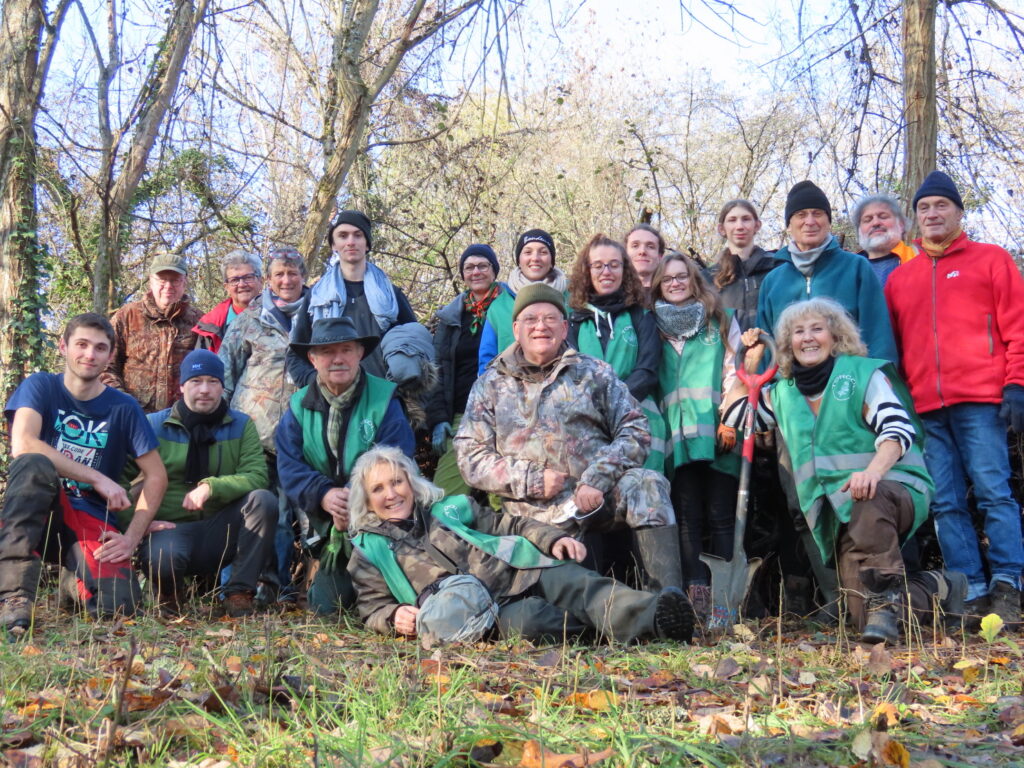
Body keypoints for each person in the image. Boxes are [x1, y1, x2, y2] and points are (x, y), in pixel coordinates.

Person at [724, 298, 965, 643]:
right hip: (843, 513)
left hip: (893, 489)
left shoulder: (862, 374)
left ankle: (884, 602)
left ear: (835, 337)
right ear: (787, 343)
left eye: (817, 329)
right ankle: (937, 587)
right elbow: (738, 418)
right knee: (861, 614)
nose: (807, 338)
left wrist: (874, 472)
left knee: (869, 498)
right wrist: (746, 366)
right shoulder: (784, 393)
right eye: (798, 332)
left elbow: (897, 430)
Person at [454, 283, 684, 592]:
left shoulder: (594, 373)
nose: (541, 326)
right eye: (531, 319)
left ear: (564, 328)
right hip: (531, 515)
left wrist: (597, 478)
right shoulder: (490, 385)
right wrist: (532, 480)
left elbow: (636, 429)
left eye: (550, 319)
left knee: (647, 484)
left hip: (595, 500)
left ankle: (667, 600)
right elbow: (470, 456)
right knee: (565, 613)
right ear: (516, 329)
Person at [347, 446, 695, 644]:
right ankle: (611, 631)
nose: (391, 494)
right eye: (378, 489)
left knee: (579, 583)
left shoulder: (448, 509)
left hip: (516, 570)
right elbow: (371, 606)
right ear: (367, 499)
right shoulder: (368, 549)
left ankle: (656, 617)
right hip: (482, 615)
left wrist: (551, 537)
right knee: (533, 623)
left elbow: (507, 523)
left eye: (397, 482)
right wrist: (393, 616)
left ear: (411, 482)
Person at [885, 170, 1024, 625]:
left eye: (941, 205)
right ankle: (969, 589)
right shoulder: (900, 279)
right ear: (915, 220)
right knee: (944, 502)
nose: (932, 214)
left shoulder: (991, 260)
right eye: (924, 208)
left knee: (993, 493)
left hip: (982, 400)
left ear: (959, 213)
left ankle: (1009, 585)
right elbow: (895, 349)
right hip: (926, 407)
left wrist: (1016, 384)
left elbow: (1017, 327)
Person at [0, 314, 167, 631]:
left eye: (100, 348)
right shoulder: (42, 386)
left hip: (87, 513)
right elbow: (23, 443)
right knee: (34, 463)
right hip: (35, 510)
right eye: (82, 344)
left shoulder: (123, 407)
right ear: (63, 347)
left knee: (119, 610)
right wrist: (97, 477)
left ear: (108, 356)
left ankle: (72, 582)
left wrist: (131, 538)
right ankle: (14, 597)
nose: (90, 354)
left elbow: (156, 476)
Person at [276, 316, 415, 615]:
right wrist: (325, 496)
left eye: (346, 349)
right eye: (327, 352)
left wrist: (354, 498)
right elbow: (290, 467)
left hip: (383, 520)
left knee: (401, 596)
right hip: (330, 526)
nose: (338, 359)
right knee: (329, 609)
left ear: (360, 354)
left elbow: (398, 457)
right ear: (313, 359)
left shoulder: (384, 398)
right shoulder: (298, 406)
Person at [128, 350, 276, 618]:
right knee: (164, 557)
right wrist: (136, 525)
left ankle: (238, 594)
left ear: (222, 385)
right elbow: (119, 481)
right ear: (182, 386)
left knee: (263, 500)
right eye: (196, 381)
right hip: (169, 529)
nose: (205, 390)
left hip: (220, 529)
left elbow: (256, 475)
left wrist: (212, 487)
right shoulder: (153, 426)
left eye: (213, 381)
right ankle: (169, 594)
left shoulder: (241, 425)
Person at [650, 252, 742, 619]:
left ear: (693, 280)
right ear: (658, 284)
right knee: (686, 518)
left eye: (681, 277)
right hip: (676, 437)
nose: (675, 283)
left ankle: (726, 600)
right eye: (667, 278)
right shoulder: (651, 327)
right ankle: (696, 596)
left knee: (721, 515)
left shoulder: (720, 320)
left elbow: (734, 371)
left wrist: (731, 417)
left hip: (719, 434)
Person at [220, 247, 309, 600]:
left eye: (293, 273)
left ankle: (287, 588)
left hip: (303, 436)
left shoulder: (319, 315)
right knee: (255, 512)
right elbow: (226, 371)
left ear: (304, 276)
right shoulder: (250, 320)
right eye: (279, 275)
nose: (286, 280)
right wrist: (220, 425)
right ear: (268, 280)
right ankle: (245, 586)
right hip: (254, 434)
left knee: (293, 515)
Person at [756, 181, 898, 362]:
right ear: (789, 224)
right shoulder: (773, 282)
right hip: (789, 387)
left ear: (828, 221)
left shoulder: (856, 268)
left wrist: (880, 380)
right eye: (801, 215)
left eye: (817, 214)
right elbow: (766, 346)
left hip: (848, 383)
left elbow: (879, 336)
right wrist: (769, 386)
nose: (810, 221)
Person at [566, 234, 665, 471]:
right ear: (586, 271)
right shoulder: (574, 319)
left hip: (641, 421)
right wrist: (599, 410)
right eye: (598, 265)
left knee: (645, 500)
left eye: (614, 265)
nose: (606, 272)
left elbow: (648, 370)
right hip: (589, 425)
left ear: (625, 269)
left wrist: (615, 404)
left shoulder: (641, 314)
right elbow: (569, 373)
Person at [287, 210, 418, 385]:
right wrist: (316, 385)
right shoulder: (317, 298)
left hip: (385, 397)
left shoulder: (391, 295)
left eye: (358, 235)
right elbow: (297, 354)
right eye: (343, 236)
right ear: (333, 245)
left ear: (367, 244)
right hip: (334, 399)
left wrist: (404, 391)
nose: (350, 242)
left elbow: (415, 344)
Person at [426, 244, 508, 496]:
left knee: (503, 494)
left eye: (483, 266)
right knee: (446, 495)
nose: (476, 272)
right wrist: (439, 420)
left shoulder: (512, 308)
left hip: (506, 412)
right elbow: (437, 370)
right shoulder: (451, 318)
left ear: (494, 270)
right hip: (464, 413)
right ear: (462, 274)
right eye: (469, 267)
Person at [102, 253, 203, 412]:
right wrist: (123, 402)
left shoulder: (199, 322)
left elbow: (206, 374)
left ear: (185, 282)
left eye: (175, 280)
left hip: (181, 421)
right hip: (132, 416)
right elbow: (105, 366)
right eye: (162, 280)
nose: (168, 286)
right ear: (151, 281)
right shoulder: (127, 316)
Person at [477, 229, 568, 374]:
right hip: (511, 391)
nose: (535, 258)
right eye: (528, 252)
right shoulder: (500, 306)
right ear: (518, 260)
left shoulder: (572, 299)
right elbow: (486, 362)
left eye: (543, 252)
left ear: (552, 260)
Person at [704, 199, 780, 331]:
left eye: (746, 219)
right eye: (732, 220)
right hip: (729, 349)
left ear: (757, 225)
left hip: (772, 349)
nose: (739, 226)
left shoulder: (776, 269)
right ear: (722, 229)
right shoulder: (708, 278)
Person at [194, 250, 264, 353]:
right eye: (234, 280)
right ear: (226, 287)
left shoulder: (280, 316)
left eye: (248, 277)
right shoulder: (209, 327)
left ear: (261, 281)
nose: (242, 284)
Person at [852, 194, 917, 287]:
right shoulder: (848, 266)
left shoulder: (919, 259)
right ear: (859, 230)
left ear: (901, 224)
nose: (875, 223)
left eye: (883, 216)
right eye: (867, 220)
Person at [624, 223, 665, 302]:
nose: (642, 251)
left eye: (650, 247)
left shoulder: (672, 296)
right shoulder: (612, 297)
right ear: (625, 253)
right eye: (635, 246)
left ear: (660, 256)